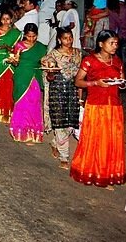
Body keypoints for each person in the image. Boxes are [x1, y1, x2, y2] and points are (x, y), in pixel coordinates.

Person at [71, 29, 126, 188]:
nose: (114, 46)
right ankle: (92, 171)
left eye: (116, 43)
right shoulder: (90, 60)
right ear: (101, 44)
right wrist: (95, 83)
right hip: (96, 106)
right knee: (96, 140)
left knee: (112, 141)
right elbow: (78, 81)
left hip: (114, 107)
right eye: (111, 43)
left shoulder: (117, 61)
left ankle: (108, 174)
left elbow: (122, 80)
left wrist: (120, 83)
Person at [41, 27, 82, 168]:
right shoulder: (53, 55)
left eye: (70, 38)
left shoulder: (78, 53)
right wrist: (50, 72)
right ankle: (64, 156)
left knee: (71, 124)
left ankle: (54, 143)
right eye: (65, 38)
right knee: (60, 123)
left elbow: (80, 74)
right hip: (57, 91)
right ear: (59, 39)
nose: (68, 41)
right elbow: (48, 74)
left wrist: (81, 94)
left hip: (73, 91)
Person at [9, 23, 47, 143]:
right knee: (22, 103)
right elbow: (16, 62)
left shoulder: (41, 47)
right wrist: (14, 61)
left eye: (34, 36)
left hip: (35, 77)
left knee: (34, 102)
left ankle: (33, 132)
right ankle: (20, 131)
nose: (31, 39)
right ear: (25, 35)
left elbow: (43, 61)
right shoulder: (19, 46)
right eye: (29, 36)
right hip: (22, 76)